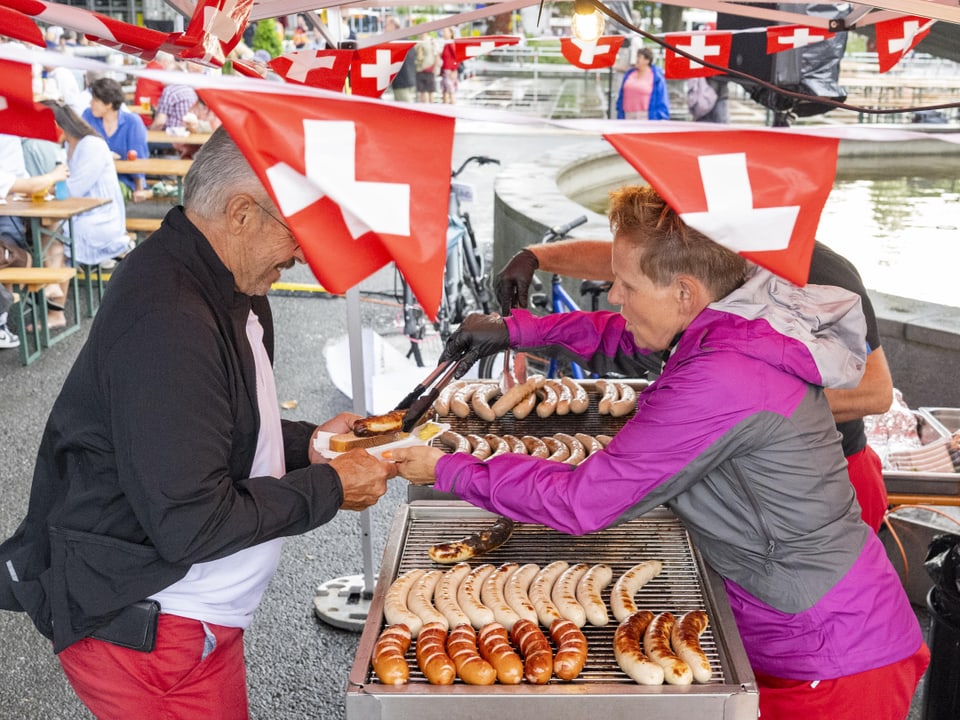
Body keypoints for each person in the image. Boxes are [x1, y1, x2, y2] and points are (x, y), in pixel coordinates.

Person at [390, 185, 927, 720]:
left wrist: (448, 468)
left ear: (685, 293)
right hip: (795, 626)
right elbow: (621, 336)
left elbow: (585, 501)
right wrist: (514, 330)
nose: (615, 296)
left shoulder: (724, 376)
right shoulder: (730, 322)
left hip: (830, 654)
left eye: (625, 284)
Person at [0, 126, 396, 718]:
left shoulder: (223, 280)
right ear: (241, 214)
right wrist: (330, 487)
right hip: (154, 631)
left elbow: (216, 426)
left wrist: (312, 443)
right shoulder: (170, 320)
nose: (303, 254)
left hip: (186, 622)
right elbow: (190, 521)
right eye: (298, 232)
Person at [493, 236, 893, 532]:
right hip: (740, 482)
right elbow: (638, 262)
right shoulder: (715, 246)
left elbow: (876, 392)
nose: (618, 294)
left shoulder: (818, 272)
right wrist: (538, 256)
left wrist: (719, 412)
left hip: (834, 480)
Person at [43, 101, 133, 269]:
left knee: (54, 232)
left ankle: (56, 284)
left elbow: (74, 189)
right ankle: (53, 285)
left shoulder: (91, 145)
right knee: (48, 229)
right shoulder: (68, 146)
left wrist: (43, 186)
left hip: (100, 218)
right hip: (80, 213)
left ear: (55, 124)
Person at [81, 77, 151, 202]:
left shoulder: (132, 122)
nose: (90, 103)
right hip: (93, 176)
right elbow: (81, 146)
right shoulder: (88, 116)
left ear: (108, 104)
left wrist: (139, 189)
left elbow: (139, 157)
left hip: (123, 179)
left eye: (95, 100)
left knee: (108, 193)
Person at [616, 46, 670, 120]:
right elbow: (621, 94)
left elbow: (662, 98)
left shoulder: (656, 77)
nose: (637, 59)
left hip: (646, 115)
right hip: (627, 115)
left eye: (639, 57)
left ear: (647, 60)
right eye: (637, 57)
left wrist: (661, 116)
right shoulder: (629, 74)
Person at [385, 15, 416, 102]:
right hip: (408, 79)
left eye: (386, 25)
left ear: (392, 25)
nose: (385, 28)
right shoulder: (405, 39)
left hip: (401, 81)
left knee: (405, 109)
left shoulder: (396, 41)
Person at [414, 32, 438, 104]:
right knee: (422, 93)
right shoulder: (417, 42)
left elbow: (436, 55)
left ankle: (432, 111)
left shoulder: (431, 41)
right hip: (419, 69)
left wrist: (435, 68)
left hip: (429, 70)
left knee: (431, 93)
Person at [439, 26, 459, 104]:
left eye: (445, 32)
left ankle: (452, 110)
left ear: (450, 33)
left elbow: (457, 57)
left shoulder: (451, 44)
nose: (443, 34)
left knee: (451, 91)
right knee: (445, 91)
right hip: (445, 71)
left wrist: (454, 70)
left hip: (450, 71)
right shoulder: (446, 44)